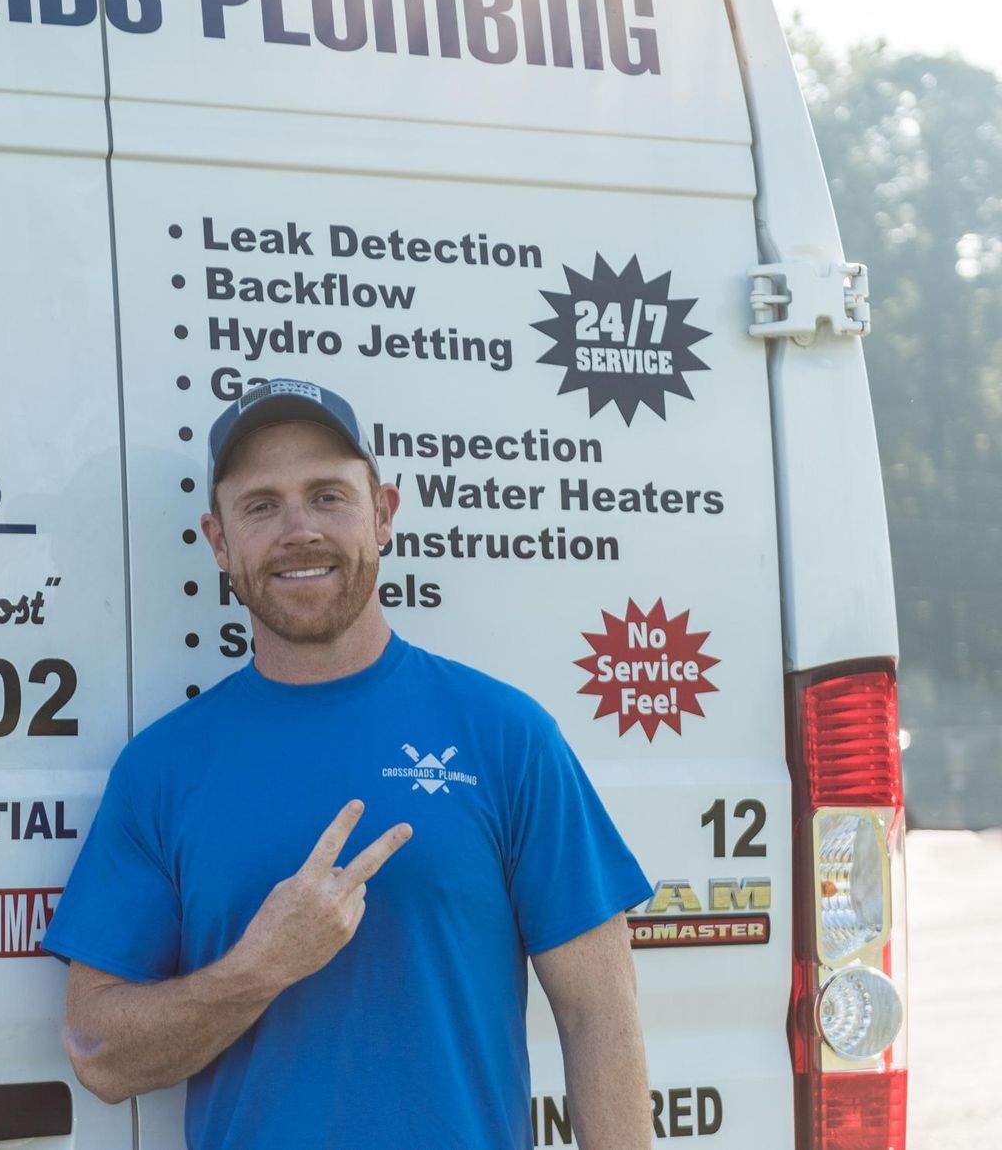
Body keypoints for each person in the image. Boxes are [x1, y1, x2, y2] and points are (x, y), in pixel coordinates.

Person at [42, 378, 654, 1149]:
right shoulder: (162, 769)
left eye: (329, 496)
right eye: (262, 505)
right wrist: (260, 968)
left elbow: (601, 1015)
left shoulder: (506, 737)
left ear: (384, 514)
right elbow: (99, 1055)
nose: (300, 529)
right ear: (220, 541)